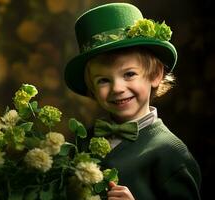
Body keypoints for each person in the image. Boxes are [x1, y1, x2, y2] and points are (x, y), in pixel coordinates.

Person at [64, 2, 201, 200]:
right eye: (103, 80)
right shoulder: (82, 140)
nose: (117, 88)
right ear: (91, 89)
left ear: (155, 75)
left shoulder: (170, 153)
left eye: (129, 74)